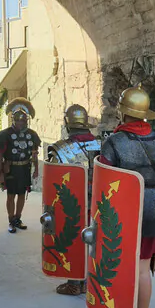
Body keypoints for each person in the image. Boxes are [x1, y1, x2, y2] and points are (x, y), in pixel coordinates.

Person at [98, 85, 155, 308]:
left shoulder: (113, 143)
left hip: (121, 214)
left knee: (120, 266)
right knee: (143, 270)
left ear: (123, 112)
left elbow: (102, 185)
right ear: (145, 114)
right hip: (151, 210)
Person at [47, 104, 101, 296]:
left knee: (72, 239)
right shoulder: (102, 145)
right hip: (97, 204)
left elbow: (53, 183)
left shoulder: (61, 149)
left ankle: (74, 282)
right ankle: (89, 281)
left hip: (73, 205)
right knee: (93, 241)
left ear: (68, 124)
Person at [0, 98, 41, 234]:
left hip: (24, 168)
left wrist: (36, 169)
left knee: (22, 194)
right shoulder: (5, 134)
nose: (20, 123)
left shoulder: (32, 135)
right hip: (11, 169)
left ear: (26, 120)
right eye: (18, 120)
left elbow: (34, 154)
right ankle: (11, 220)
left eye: (23, 120)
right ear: (13, 120)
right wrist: (0, 173)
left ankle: (17, 219)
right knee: (11, 195)